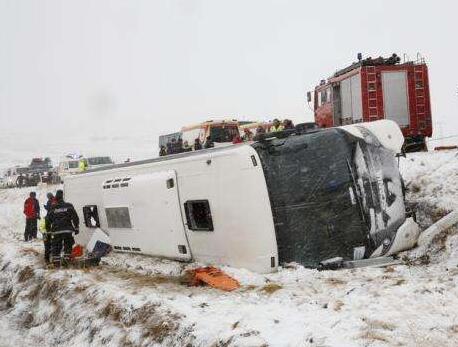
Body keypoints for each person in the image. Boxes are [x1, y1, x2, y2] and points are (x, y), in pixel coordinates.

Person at [46, 190, 79, 266]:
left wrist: (48, 231)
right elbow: (75, 217)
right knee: (68, 245)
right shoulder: (69, 206)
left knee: (56, 246)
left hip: (56, 230)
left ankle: (56, 263)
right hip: (67, 230)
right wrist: (76, 227)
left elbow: (48, 219)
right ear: (62, 197)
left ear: (56, 198)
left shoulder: (53, 207)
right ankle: (66, 262)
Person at [43, 193, 57, 263]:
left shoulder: (52, 202)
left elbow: (50, 210)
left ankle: (47, 259)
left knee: (47, 244)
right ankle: (48, 259)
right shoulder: (56, 200)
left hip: (48, 230)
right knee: (50, 244)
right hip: (52, 229)